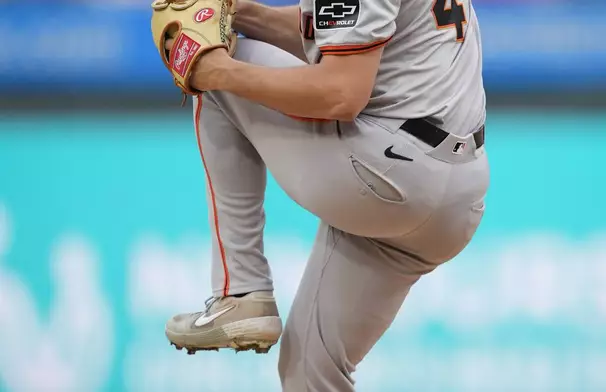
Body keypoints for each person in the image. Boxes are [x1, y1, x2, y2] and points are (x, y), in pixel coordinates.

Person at [164, 0, 490, 389]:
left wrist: (218, 71)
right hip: (457, 193)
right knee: (308, 369)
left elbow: (341, 92)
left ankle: (241, 291)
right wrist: (240, 13)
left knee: (220, 68)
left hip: (393, 174)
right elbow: (338, 34)